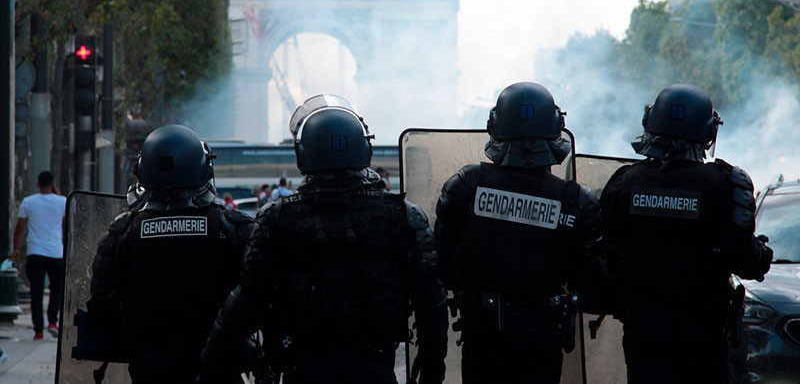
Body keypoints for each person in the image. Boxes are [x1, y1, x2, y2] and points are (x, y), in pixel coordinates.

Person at [198, 95, 448, 384]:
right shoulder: (403, 215)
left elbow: (246, 303)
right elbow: (431, 301)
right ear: (364, 147)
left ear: (303, 154)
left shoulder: (276, 218)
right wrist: (432, 366)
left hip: (302, 370)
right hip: (375, 369)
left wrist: (211, 368)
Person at [600, 84, 773, 384]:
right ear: (708, 132)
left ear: (651, 123)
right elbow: (745, 261)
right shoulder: (727, 183)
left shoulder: (624, 182)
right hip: (703, 331)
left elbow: (604, 254)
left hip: (643, 330)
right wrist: (762, 253)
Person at [435, 82, 601, 384]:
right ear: (555, 128)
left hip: (482, 330)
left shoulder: (467, 185)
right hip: (542, 332)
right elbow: (587, 276)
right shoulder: (576, 201)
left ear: (495, 126)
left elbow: (443, 262)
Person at [87, 125, 253, 384]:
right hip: (219, 364)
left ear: (143, 169)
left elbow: (101, 303)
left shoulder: (124, 231)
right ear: (205, 169)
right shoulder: (232, 226)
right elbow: (261, 294)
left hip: (149, 366)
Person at [12, 171, 66, 340]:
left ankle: (38, 330)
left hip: (35, 251)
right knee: (56, 288)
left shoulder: (29, 202)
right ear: (53, 183)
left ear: (37, 184)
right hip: (56, 251)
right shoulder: (63, 201)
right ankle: (52, 321)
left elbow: (20, 228)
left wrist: (16, 249)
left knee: (36, 291)